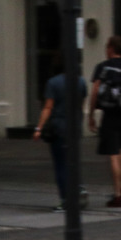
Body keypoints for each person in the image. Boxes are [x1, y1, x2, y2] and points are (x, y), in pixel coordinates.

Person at [89, 35, 121, 207]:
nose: (105, 49)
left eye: (106, 46)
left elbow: (95, 92)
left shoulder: (102, 67)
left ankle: (118, 195)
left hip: (110, 115)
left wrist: (90, 115)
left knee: (113, 154)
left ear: (111, 48)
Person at [33, 56, 88, 211]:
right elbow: (81, 104)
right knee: (73, 160)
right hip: (75, 127)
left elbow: (48, 108)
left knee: (61, 165)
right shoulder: (81, 81)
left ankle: (65, 199)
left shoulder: (53, 83)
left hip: (59, 127)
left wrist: (39, 128)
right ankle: (79, 187)